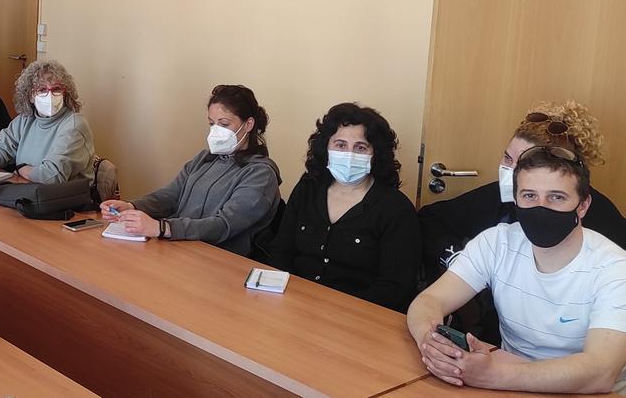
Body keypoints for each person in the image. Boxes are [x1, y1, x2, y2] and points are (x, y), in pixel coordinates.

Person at [407, 146, 626, 393]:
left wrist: (494, 375)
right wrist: (431, 343)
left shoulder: (615, 268)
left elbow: (600, 372)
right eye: (529, 196)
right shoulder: (496, 242)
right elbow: (429, 300)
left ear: (583, 205)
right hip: (512, 382)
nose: (540, 208)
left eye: (556, 197)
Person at [268, 102, 420, 312]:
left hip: (357, 318)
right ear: (326, 148)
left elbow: (394, 288)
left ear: (375, 154)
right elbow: (281, 251)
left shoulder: (396, 209)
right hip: (294, 305)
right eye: (340, 145)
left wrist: (337, 313)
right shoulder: (308, 188)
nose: (350, 154)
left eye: (360, 147)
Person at [100, 85, 281, 255]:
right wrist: (131, 206)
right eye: (212, 124)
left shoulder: (260, 174)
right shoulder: (205, 158)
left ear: (248, 125)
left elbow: (224, 225)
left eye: (224, 124)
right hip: (180, 248)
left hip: (219, 261)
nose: (216, 131)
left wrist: (162, 228)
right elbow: (171, 195)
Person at [0, 59, 95, 184]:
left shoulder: (74, 125)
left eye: (56, 89)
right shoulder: (25, 120)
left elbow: (51, 176)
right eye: (42, 89)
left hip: (64, 199)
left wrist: (21, 169)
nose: (50, 95)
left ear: (65, 93)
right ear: (30, 96)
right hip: (30, 193)